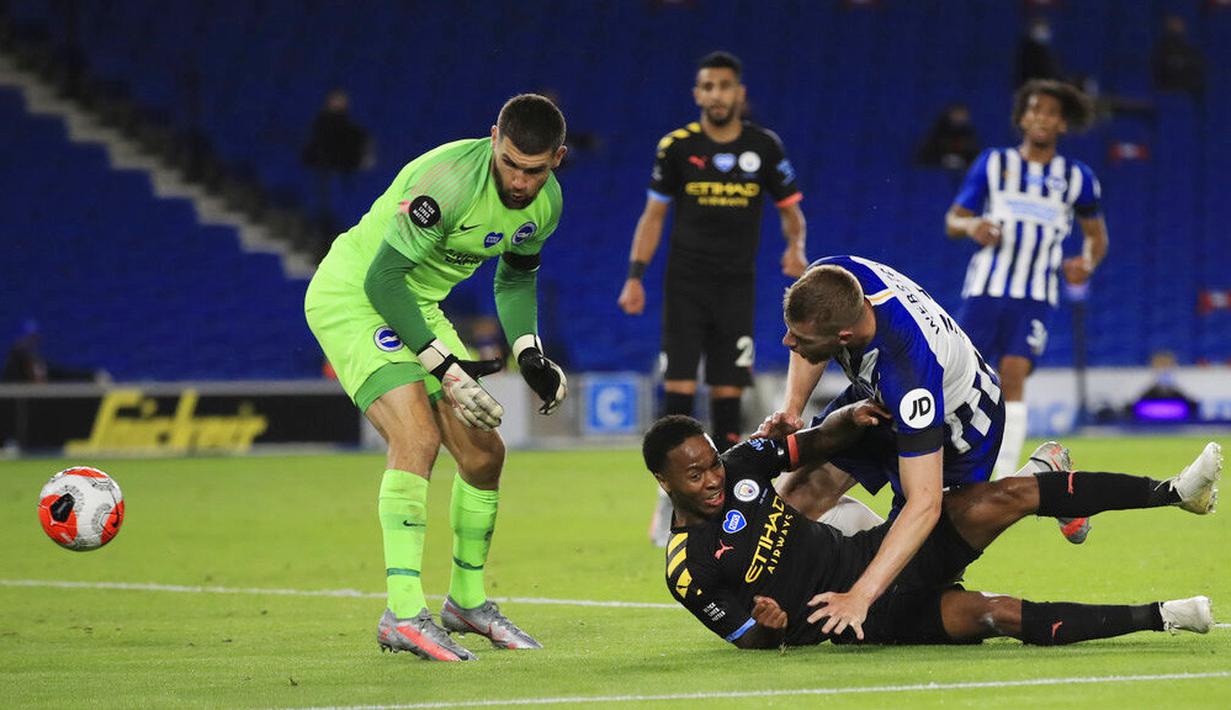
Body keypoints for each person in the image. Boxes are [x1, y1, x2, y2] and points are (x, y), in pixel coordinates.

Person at [303, 94, 570, 662]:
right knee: (417, 439)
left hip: (416, 305)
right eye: (511, 165)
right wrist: (446, 370)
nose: (521, 182)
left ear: (557, 159)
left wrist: (529, 354)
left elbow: (516, 280)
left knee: (483, 456)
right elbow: (382, 281)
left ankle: (465, 604)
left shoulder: (545, 204)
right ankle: (402, 614)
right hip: (355, 295)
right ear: (493, 136)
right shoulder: (445, 184)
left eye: (535, 170)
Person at [645, 413, 1221, 648]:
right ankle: (1167, 616)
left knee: (1004, 496)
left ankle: (1173, 492)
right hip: (862, 623)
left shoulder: (741, 465)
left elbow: (810, 445)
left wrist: (846, 419)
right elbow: (742, 634)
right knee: (1000, 614)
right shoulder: (685, 567)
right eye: (696, 474)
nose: (714, 477)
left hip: (874, 555)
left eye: (714, 462)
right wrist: (767, 630)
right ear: (664, 482)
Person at [615, 50, 807, 546]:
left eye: (725, 86)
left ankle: (724, 502)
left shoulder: (763, 147)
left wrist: (795, 247)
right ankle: (668, 499)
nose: (717, 95)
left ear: (739, 93)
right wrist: (635, 276)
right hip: (685, 288)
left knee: (727, 400)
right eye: (708, 86)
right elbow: (652, 216)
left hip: (736, 289)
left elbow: (790, 210)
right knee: (677, 392)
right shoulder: (677, 147)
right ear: (697, 94)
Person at [944, 80, 1108, 489]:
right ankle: (954, 463)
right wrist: (972, 226)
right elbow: (953, 220)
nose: (1042, 118)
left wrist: (1085, 263)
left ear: (1063, 125)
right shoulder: (994, 164)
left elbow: (1097, 237)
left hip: (1035, 295)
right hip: (985, 289)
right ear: (1022, 117)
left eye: (1052, 112)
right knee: (964, 375)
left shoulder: (1077, 178)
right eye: (1035, 109)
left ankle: (1000, 478)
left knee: (1013, 373)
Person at [1152, 15, 1206, 98]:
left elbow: (1198, 66)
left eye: (1178, 25)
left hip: (1187, 90)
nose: (1177, 27)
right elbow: (1158, 72)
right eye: (1173, 25)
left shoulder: (1188, 49)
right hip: (1167, 90)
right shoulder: (1160, 49)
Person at [914, 103, 979, 171]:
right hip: (937, 173)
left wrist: (962, 162)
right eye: (957, 114)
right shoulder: (938, 133)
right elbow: (925, 157)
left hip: (962, 173)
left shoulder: (969, 135)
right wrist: (943, 161)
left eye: (963, 115)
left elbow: (975, 157)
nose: (960, 117)